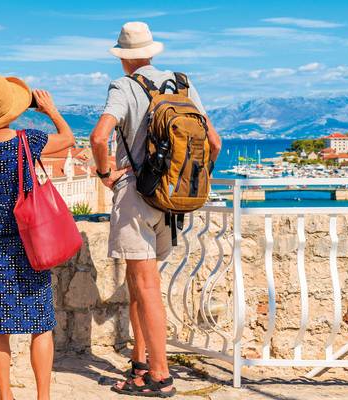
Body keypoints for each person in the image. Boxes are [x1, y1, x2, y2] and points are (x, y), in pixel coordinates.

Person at [89, 22, 222, 398]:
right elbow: (214, 141)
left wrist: (104, 173)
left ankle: (160, 376)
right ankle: (140, 362)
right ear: (151, 51)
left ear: (123, 58)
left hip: (136, 195)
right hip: (171, 199)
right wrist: (192, 179)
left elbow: (99, 136)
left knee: (145, 287)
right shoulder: (182, 84)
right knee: (140, 284)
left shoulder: (124, 87)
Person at [0, 74, 75, 400]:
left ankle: (5, 395)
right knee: (41, 325)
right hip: (30, 242)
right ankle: (43, 397)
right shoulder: (28, 140)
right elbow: (67, 138)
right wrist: (50, 110)